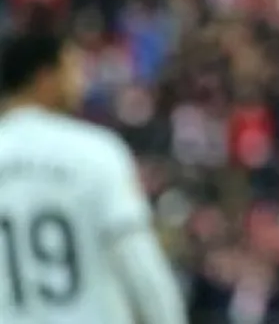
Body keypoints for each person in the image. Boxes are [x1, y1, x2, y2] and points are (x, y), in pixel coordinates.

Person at [0, 28, 187, 324]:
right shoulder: (96, 152)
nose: (81, 82)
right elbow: (141, 266)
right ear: (46, 77)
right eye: (73, 68)